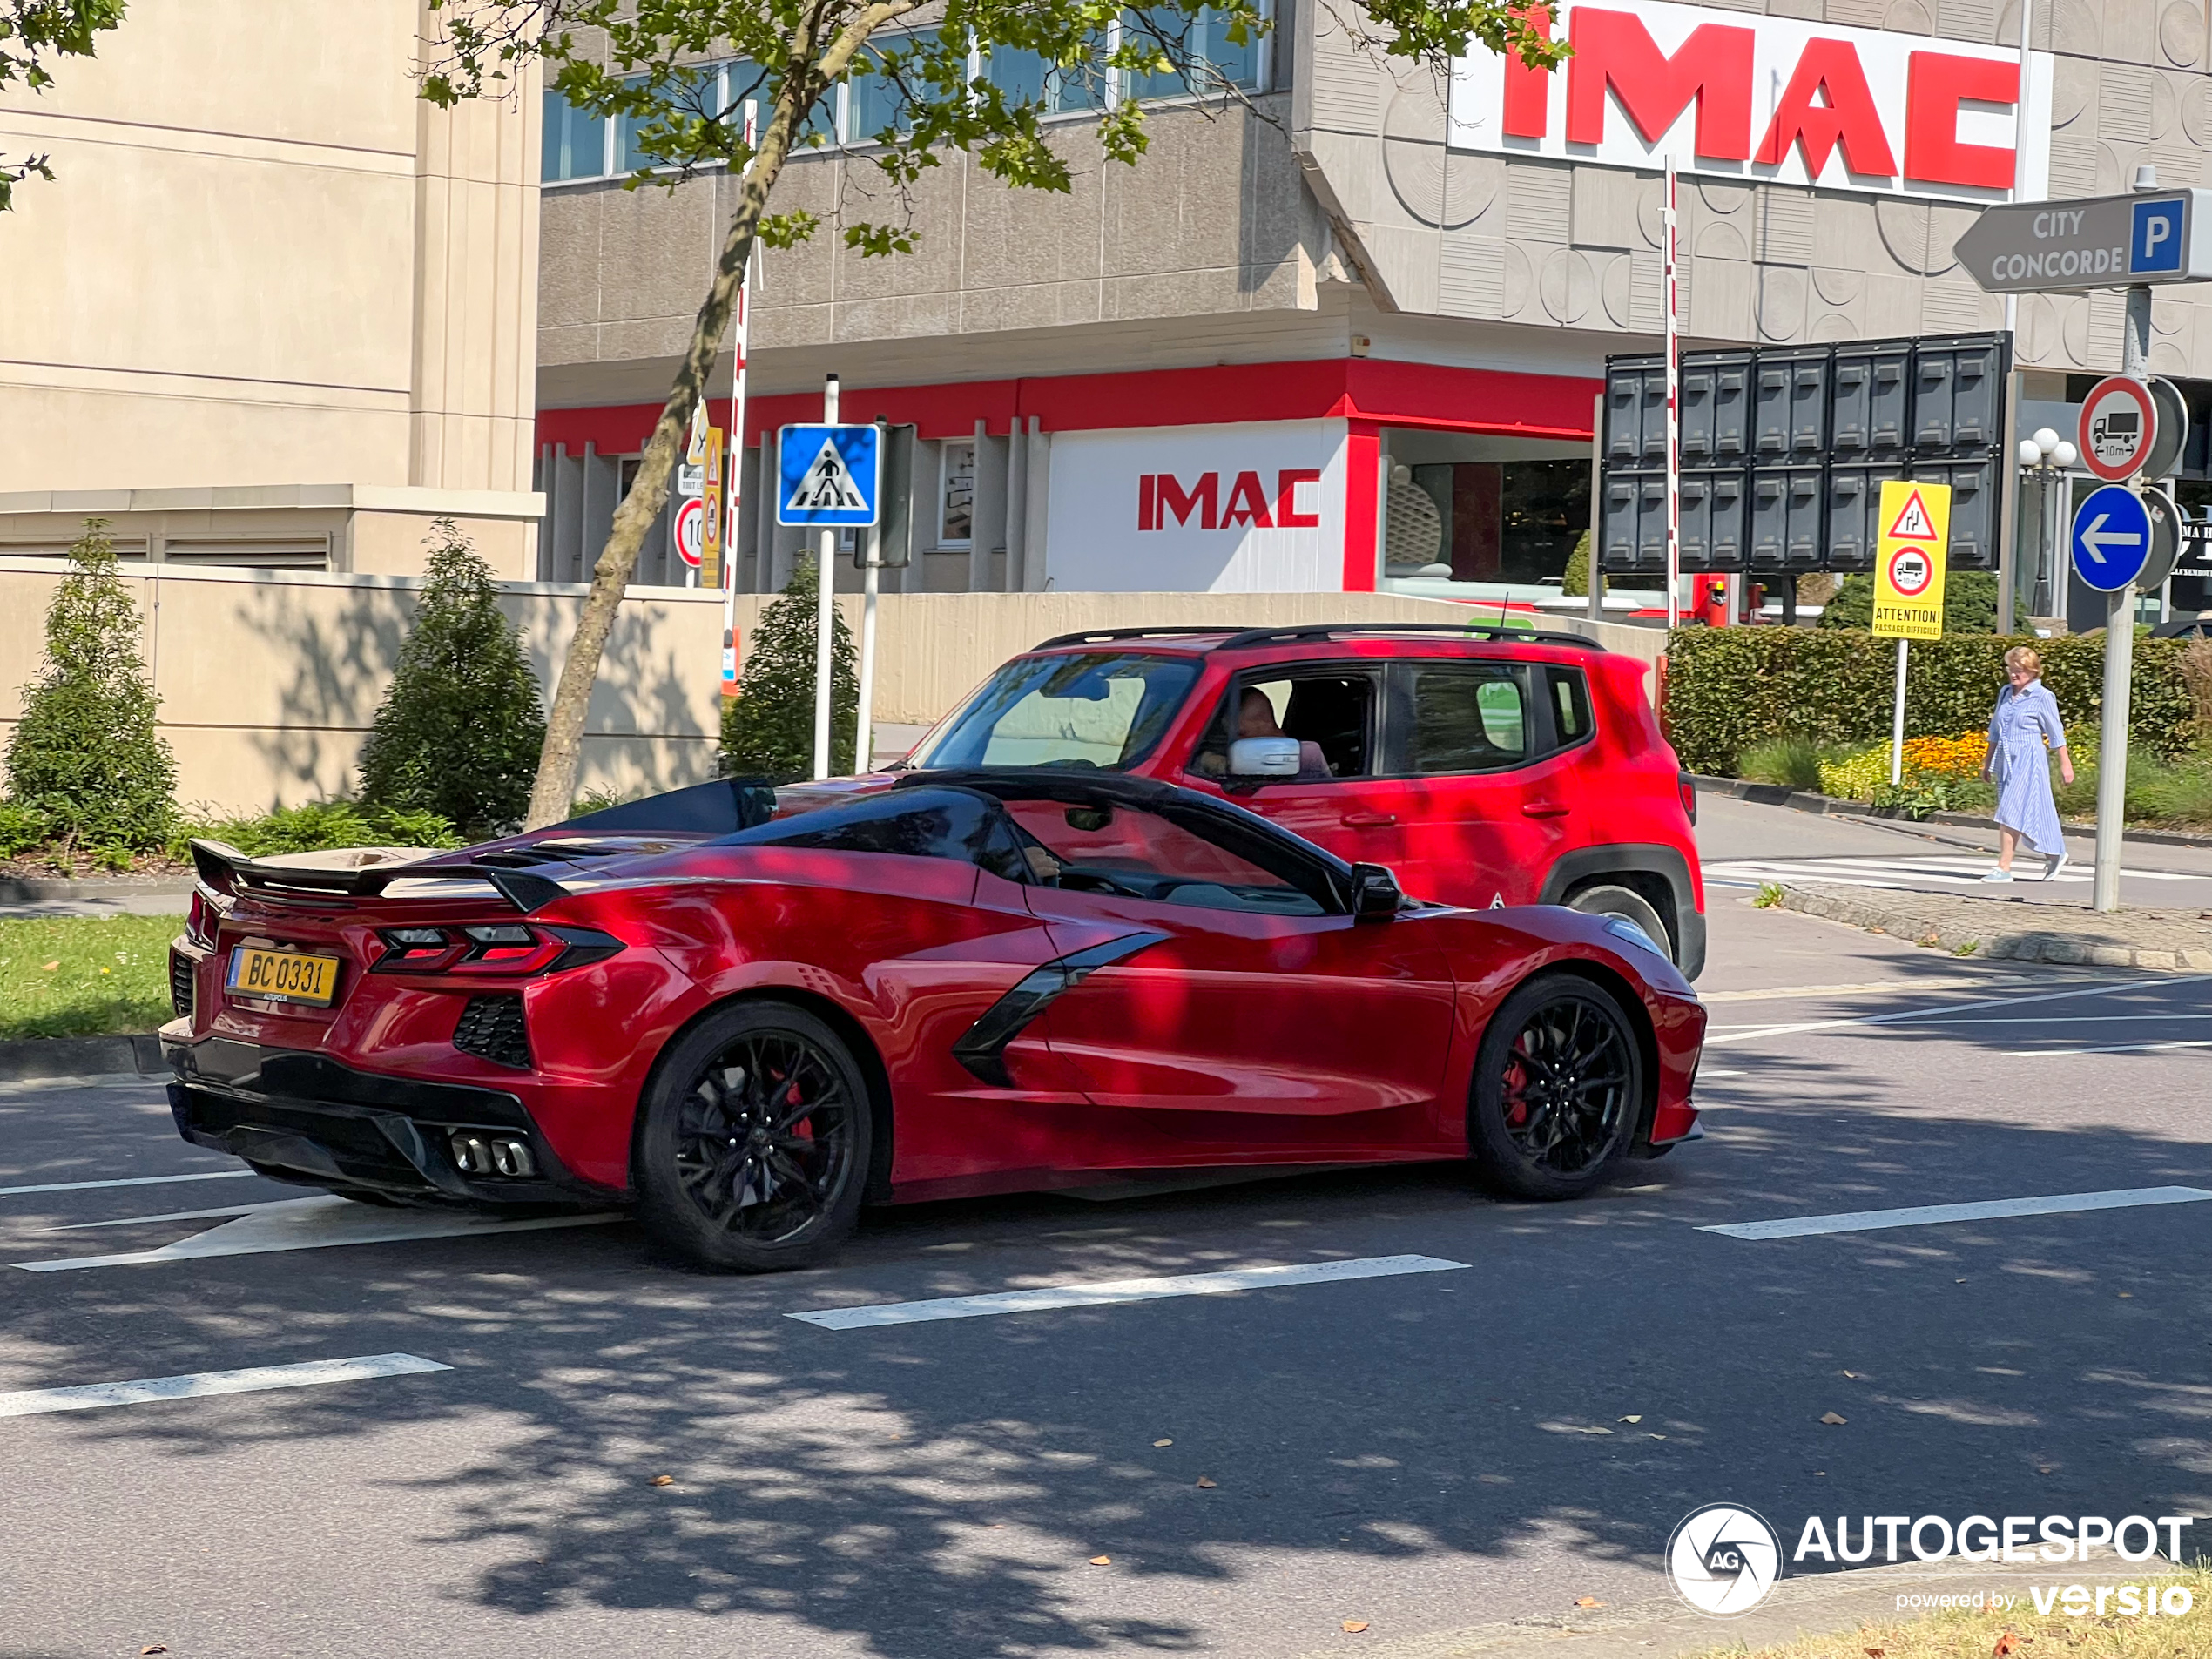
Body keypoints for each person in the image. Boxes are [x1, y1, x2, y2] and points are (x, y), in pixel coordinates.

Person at [1980, 644, 2074, 882]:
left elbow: (2055, 733)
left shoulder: (2043, 696)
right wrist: (1987, 761)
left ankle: (2004, 867)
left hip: (2030, 758)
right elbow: (1995, 730)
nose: (2014, 674)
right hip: (2006, 757)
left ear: (2033, 671)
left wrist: (2066, 764)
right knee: (2034, 810)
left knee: (2009, 810)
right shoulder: (2005, 693)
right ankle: (2055, 852)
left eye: (2020, 669)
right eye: (2011, 669)